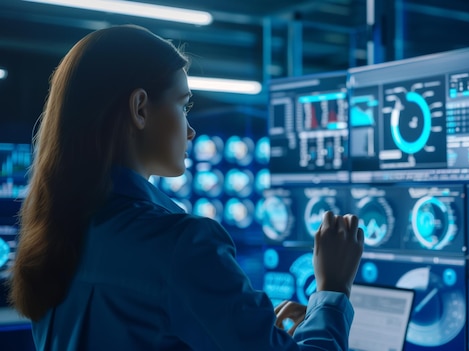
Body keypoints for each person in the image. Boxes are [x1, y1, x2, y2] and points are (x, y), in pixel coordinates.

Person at [8, 24, 364, 350]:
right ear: (140, 108)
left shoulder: (56, 233)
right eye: (183, 105)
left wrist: (252, 332)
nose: (191, 130)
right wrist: (332, 288)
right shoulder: (182, 246)